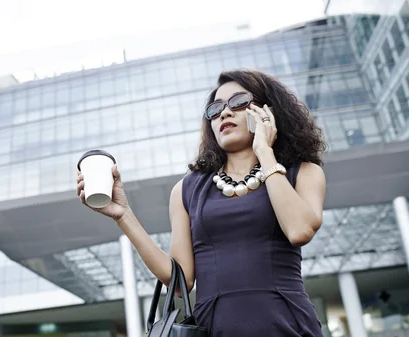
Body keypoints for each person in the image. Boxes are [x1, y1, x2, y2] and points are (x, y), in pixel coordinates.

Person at [76, 68, 327, 336]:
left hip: (289, 326)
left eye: (238, 103)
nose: (224, 113)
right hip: (215, 328)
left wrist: (265, 152)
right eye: (215, 109)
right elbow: (180, 279)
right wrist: (123, 214)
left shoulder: (303, 172)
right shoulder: (187, 189)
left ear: (266, 112)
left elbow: (299, 230)